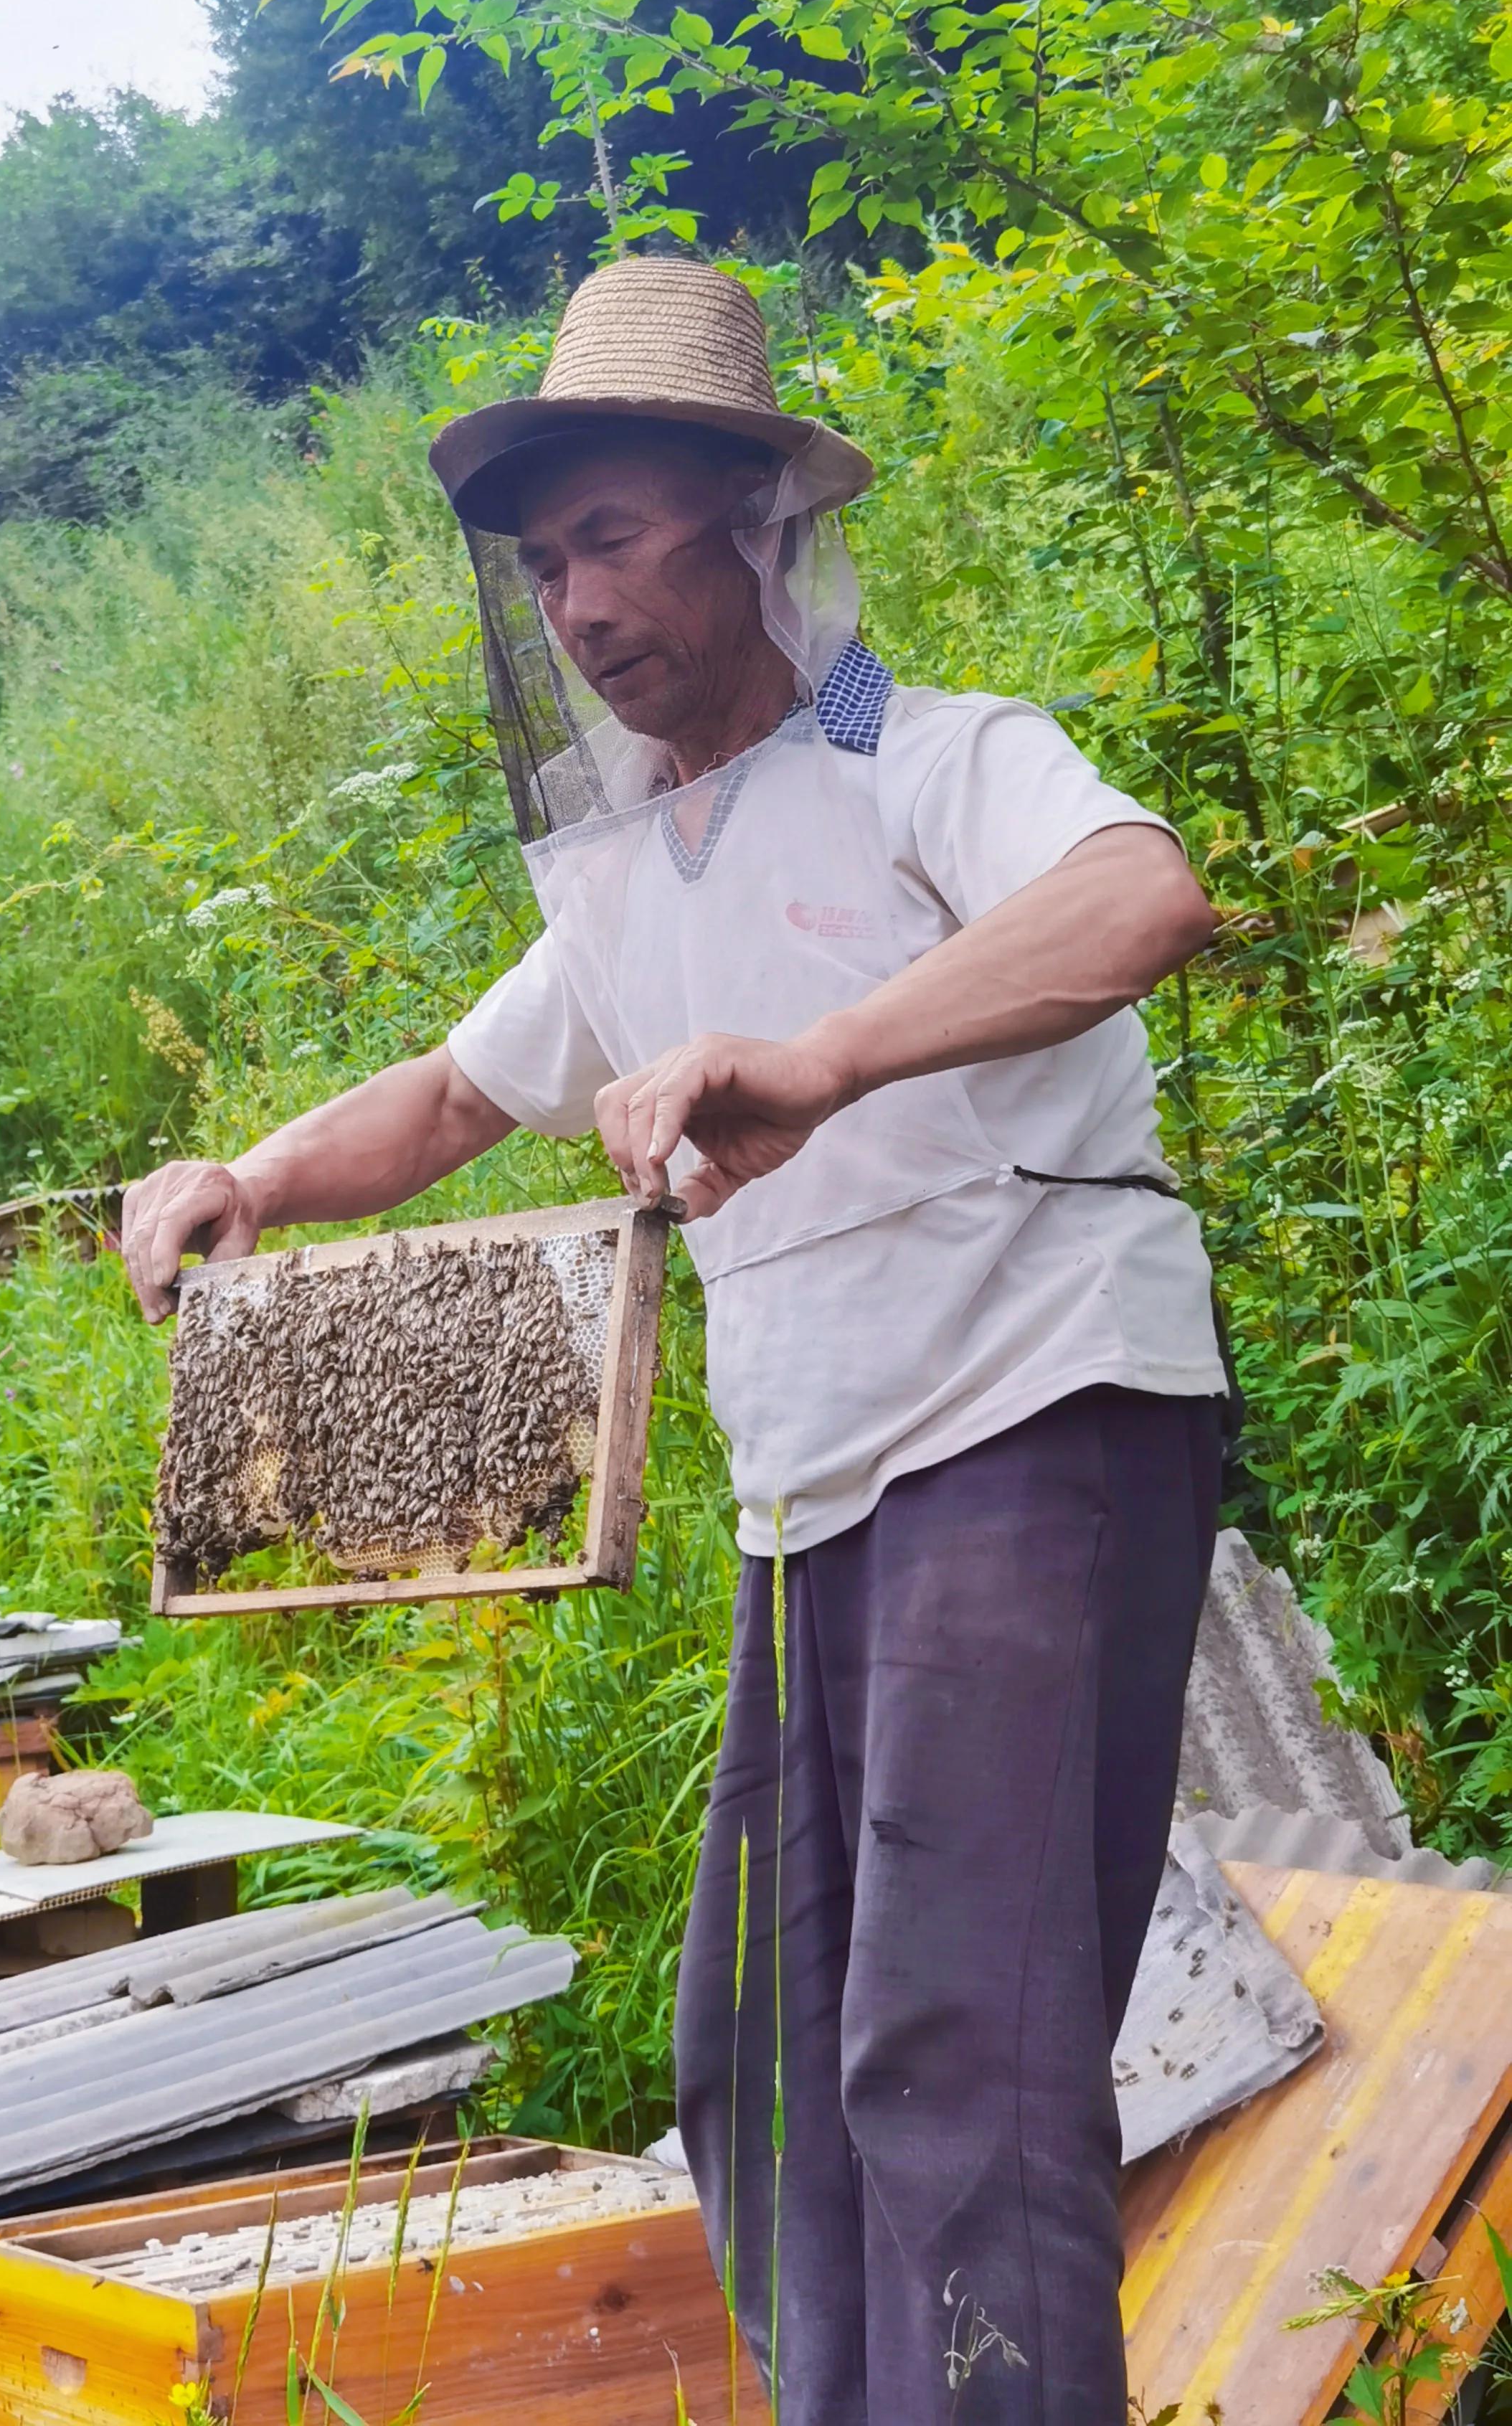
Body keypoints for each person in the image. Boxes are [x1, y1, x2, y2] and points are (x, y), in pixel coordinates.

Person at [117, 251, 1226, 2425]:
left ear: (750, 519)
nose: (580, 602)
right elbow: (452, 1100)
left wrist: (822, 1057)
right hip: (815, 1498)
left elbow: (1138, 899)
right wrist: (248, 1174)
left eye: (614, 536)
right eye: (547, 566)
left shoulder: (934, 758)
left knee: (959, 2038)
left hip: (1035, 1422)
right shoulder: (637, 864)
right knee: (762, 2048)